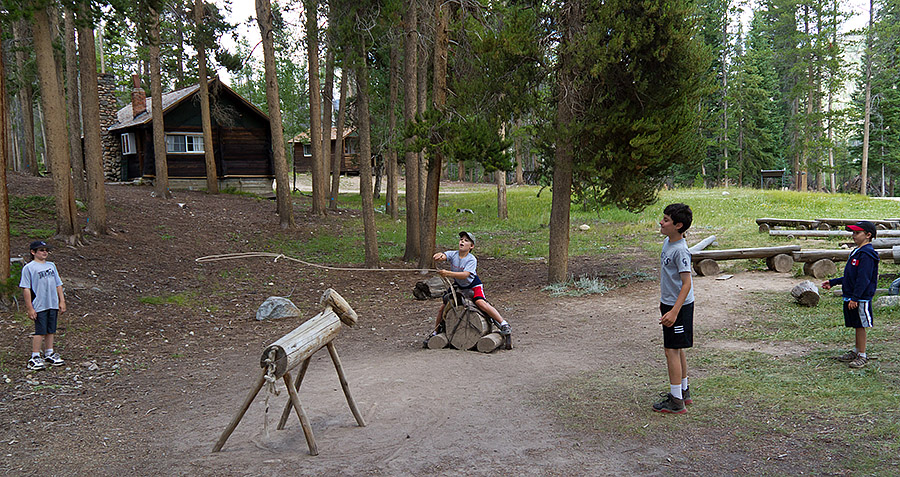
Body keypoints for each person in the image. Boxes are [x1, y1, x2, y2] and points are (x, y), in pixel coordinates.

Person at [425, 231, 511, 346]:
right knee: (443, 306)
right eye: (461, 239)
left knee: (480, 303)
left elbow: (465, 274)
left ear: (471, 246)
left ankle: (503, 323)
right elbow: (444, 255)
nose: (462, 242)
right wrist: (439, 256)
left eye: (466, 240)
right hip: (459, 286)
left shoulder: (471, 259)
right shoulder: (453, 254)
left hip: (472, 285)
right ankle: (436, 331)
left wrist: (448, 273)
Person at [653, 203, 694, 414]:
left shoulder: (680, 251)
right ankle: (683, 391)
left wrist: (675, 311)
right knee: (676, 348)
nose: (661, 222)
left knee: (671, 351)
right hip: (668, 303)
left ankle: (676, 401)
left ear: (678, 225)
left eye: (666, 220)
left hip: (678, 307)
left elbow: (686, 284)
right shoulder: (667, 242)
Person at [821, 221, 879, 369]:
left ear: (868, 235)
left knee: (861, 325)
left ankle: (862, 355)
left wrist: (855, 297)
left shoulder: (867, 254)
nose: (853, 236)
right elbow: (851, 276)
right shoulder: (856, 251)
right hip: (851, 295)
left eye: (857, 233)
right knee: (855, 324)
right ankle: (856, 350)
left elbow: (863, 278)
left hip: (860, 297)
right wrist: (833, 282)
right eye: (853, 233)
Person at [19, 240, 66, 370]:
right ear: (33, 252)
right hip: (39, 304)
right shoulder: (29, 268)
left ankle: (49, 352)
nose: (44, 252)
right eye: (41, 250)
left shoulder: (51, 265)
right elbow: (26, 288)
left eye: (46, 250)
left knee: (51, 329)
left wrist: (61, 301)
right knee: (40, 330)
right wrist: (30, 308)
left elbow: (58, 284)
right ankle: (35, 355)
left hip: (52, 303)